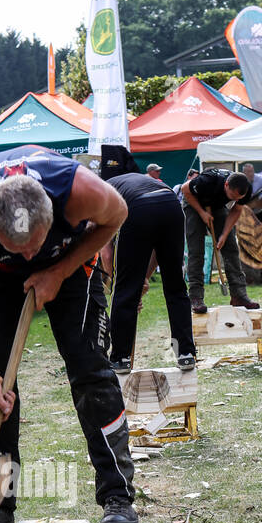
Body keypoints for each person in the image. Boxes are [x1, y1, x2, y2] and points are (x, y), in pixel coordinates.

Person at [0, 143, 136, 523]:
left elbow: (118, 215)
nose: (29, 255)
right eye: (19, 248)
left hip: (69, 262)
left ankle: (118, 495)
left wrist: (60, 269)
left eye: (34, 244)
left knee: (91, 372)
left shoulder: (79, 189)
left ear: (52, 212)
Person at [100, 155, 195, 373]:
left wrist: (113, 282)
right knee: (175, 286)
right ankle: (185, 353)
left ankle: (120, 358)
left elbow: (106, 249)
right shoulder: (137, 180)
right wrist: (143, 276)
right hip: (171, 206)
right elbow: (153, 247)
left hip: (139, 208)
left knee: (124, 291)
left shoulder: (103, 191)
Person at [180, 168, 256, 313]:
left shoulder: (245, 188)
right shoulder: (207, 180)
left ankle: (239, 296)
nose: (235, 200)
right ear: (226, 185)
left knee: (231, 248)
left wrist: (224, 235)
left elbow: (236, 210)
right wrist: (202, 213)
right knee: (196, 251)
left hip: (216, 206)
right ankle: (196, 298)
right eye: (232, 197)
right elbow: (185, 189)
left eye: (238, 198)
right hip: (194, 204)